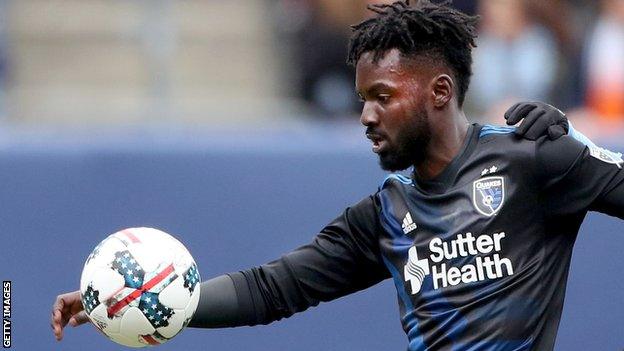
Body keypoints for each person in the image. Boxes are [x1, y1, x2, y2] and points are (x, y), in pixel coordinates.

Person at [51, 1, 624, 350]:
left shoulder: (535, 160)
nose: (366, 116)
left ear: (440, 92)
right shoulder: (385, 214)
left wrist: (581, 143)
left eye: (382, 97)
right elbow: (273, 288)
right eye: (361, 99)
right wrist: (139, 300)